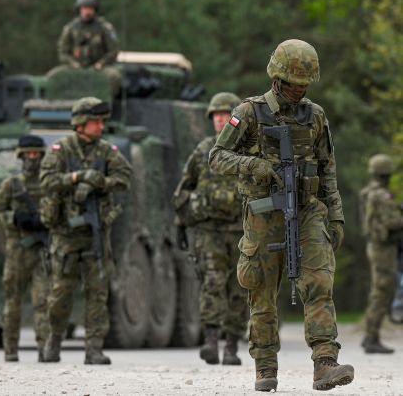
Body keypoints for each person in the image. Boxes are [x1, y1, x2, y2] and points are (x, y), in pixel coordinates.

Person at [209, 39, 354, 391]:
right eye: (293, 85)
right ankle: (265, 367)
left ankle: (325, 361)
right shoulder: (249, 112)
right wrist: (252, 165)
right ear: (277, 78)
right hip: (263, 214)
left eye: (304, 85)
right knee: (261, 291)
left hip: (307, 211)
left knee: (319, 283)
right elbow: (216, 157)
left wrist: (335, 216)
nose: (299, 91)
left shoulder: (315, 115)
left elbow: (328, 169)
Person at [39, 97, 131, 364]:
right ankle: (54, 341)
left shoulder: (107, 151)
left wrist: (100, 182)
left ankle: (93, 348)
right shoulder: (61, 150)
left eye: (102, 121)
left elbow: (124, 178)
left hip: (95, 234)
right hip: (66, 235)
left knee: (97, 293)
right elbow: (46, 181)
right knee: (60, 294)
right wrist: (76, 178)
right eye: (95, 121)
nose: (101, 126)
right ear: (80, 124)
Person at [173, 92, 248, 366]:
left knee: (239, 287)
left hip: (241, 230)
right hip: (209, 231)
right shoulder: (203, 150)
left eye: (224, 114)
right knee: (212, 283)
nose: (219, 119)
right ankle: (211, 342)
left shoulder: (248, 150)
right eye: (215, 115)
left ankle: (232, 346)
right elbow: (184, 188)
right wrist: (182, 223)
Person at [0, 135, 51, 362]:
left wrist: (45, 221)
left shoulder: (49, 184)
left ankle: (44, 349)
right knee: (13, 302)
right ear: (21, 156)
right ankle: (10, 349)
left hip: (42, 252)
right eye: (28, 154)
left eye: (36, 154)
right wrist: (15, 219)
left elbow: (60, 211)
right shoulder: (12, 185)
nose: (32, 159)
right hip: (18, 251)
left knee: (43, 302)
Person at [360, 153, 403, 353]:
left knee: (380, 290)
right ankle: (371, 337)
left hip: (376, 245)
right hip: (383, 247)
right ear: (386, 173)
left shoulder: (368, 192)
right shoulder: (381, 195)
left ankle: (371, 336)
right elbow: (392, 221)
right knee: (382, 291)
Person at [54, 0, 121, 93]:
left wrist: (102, 63)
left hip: (99, 67)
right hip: (76, 66)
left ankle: (103, 98)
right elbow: (62, 52)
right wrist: (72, 63)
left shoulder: (104, 28)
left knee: (114, 76)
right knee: (54, 76)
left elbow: (113, 50)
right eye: (84, 8)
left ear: (94, 10)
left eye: (90, 8)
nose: (87, 12)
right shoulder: (71, 28)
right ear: (79, 10)